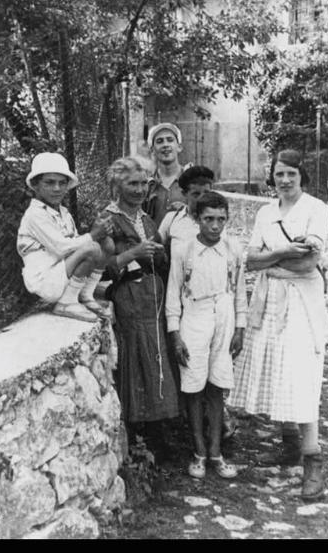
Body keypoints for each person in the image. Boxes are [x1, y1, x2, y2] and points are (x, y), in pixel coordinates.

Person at [229, 149, 328, 501]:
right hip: (269, 298)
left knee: (301, 375)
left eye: (291, 173)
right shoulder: (265, 212)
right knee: (277, 371)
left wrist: (270, 259)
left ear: (302, 175)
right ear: (271, 177)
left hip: (301, 303)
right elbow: (251, 260)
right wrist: (284, 253)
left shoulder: (315, 209)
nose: (284, 180)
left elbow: (309, 264)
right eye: (279, 174)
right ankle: (289, 446)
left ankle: (313, 460)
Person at [166, 191, 247, 479]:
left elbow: (238, 290)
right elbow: (173, 293)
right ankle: (198, 450)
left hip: (223, 315)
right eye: (208, 219)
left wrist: (240, 328)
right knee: (194, 384)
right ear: (197, 219)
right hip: (194, 316)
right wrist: (175, 334)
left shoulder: (233, 248)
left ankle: (216, 452)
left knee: (217, 385)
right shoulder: (183, 250)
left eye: (221, 219)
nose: (215, 226)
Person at [104, 157, 179, 459]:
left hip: (152, 297)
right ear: (116, 187)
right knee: (139, 359)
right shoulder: (109, 220)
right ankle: (140, 434)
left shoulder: (145, 219)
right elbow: (101, 268)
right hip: (130, 298)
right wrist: (134, 252)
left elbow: (159, 255)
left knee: (157, 357)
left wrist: (158, 252)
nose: (138, 190)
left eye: (142, 184)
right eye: (131, 184)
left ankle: (159, 430)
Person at [159, 165, 237, 440]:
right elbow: (160, 253)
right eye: (195, 194)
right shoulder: (174, 221)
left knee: (217, 370)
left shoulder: (217, 226)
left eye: (207, 192)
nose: (201, 197)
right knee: (190, 369)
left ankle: (217, 422)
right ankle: (192, 433)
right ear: (184, 194)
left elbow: (231, 274)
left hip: (217, 308)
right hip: (185, 301)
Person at [17, 152, 114, 322]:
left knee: (106, 244)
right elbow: (62, 248)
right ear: (35, 184)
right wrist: (93, 235)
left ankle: (85, 294)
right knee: (92, 247)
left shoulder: (63, 212)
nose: (57, 188)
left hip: (63, 272)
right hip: (46, 281)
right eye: (49, 182)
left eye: (62, 183)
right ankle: (66, 303)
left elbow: (75, 245)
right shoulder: (35, 214)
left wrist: (99, 234)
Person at [143, 122, 192, 227]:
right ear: (152, 150)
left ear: (179, 147)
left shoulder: (192, 179)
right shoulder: (147, 183)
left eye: (170, 140)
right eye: (159, 141)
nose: (165, 145)